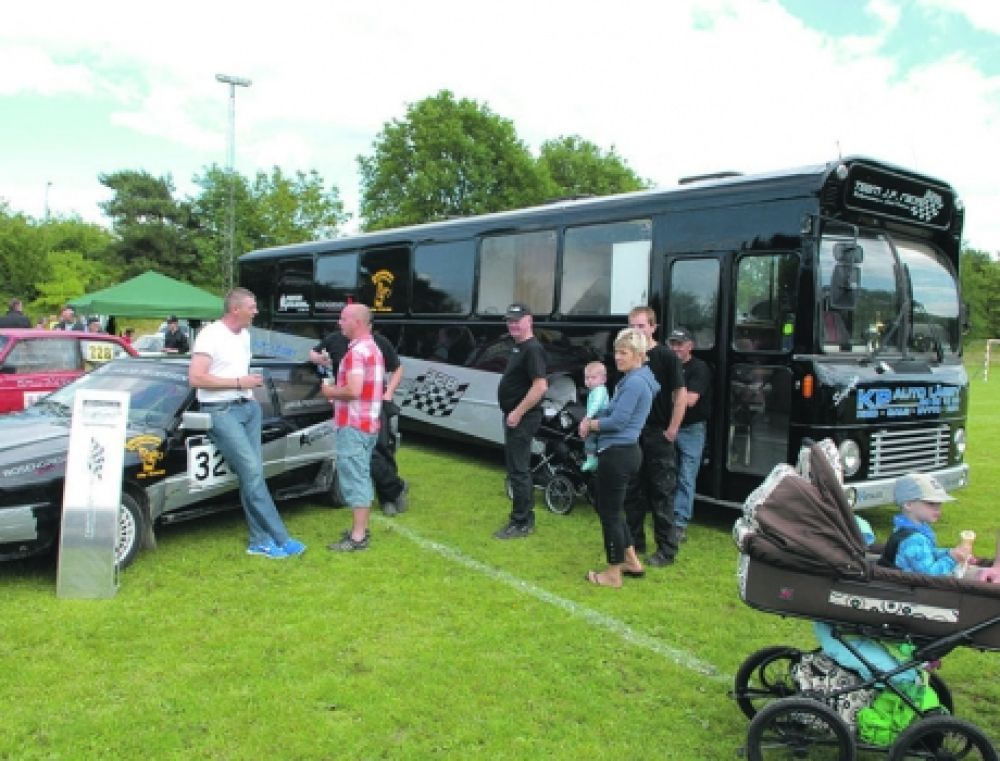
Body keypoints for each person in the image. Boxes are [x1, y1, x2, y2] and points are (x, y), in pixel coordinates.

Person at [188, 287, 306, 559]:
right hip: (221, 411)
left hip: (248, 408)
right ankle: (280, 538)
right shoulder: (210, 335)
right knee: (252, 473)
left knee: (252, 475)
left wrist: (247, 389)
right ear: (235, 309)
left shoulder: (244, 335)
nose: (256, 312)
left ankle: (259, 541)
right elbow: (196, 378)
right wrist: (240, 382)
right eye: (251, 307)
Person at [579, 329, 659, 587]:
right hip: (624, 451)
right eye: (616, 352)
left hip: (618, 453)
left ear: (638, 354)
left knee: (610, 514)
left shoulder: (635, 383)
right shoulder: (636, 379)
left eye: (623, 352)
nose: (618, 357)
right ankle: (632, 562)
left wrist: (590, 424)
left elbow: (618, 421)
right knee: (611, 509)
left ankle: (613, 574)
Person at [309, 326, 408, 516]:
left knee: (380, 451)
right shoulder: (334, 339)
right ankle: (395, 489)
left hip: (374, 404)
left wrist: (389, 392)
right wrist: (320, 359)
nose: (340, 323)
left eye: (344, 319)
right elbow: (313, 353)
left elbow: (397, 368)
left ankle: (389, 496)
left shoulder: (378, 343)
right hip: (348, 408)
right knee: (361, 456)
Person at [622, 306, 687, 567]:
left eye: (641, 326)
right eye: (632, 326)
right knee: (633, 490)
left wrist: (673, 428)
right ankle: (635, 543)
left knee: (662, 492)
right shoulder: (628, 357)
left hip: (658, 432)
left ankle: (666, 549)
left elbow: (680, 394)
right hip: (633, 433)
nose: (636, 331)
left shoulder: (666, 357)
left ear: (653, 327)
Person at [321, 304, 385, 552]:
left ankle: (358, 537)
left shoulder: (357, 352)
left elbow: (354, 390)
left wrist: (330, 392)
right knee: (361, 474)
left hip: (354, 425)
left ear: (356, 322)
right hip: (368, 423)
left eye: (343, 318)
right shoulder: (373, 348)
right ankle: (360, 529)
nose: (339, 323)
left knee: (355, 478)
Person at [878, 473, 1000, 581]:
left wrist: (950, 552)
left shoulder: (908, 530)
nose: (938, 508)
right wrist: (952, 559)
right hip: (911, 590)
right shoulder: (914, 539)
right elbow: (929, 576)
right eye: (931, 503)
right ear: (908, 504)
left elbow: (927, 554)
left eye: (939, 504)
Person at [494, 303, 548, 540]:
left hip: (523, 418)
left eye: (517, 320)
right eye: (510, 320)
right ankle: (522, 518)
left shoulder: (532, 349)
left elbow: (540, 386)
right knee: (516, 469)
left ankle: (522, 521)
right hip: (515, 416)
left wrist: (517, 412)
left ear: (529, 321)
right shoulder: (519, 347)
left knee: (519, 470)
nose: (513, 325)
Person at [667, 328, 713, 542]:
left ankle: (680, 523)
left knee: (686, 476)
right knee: (669, 474)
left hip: (691, 428)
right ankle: (667, 517)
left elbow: (690, 400)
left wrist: (667, 397)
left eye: (680, 344)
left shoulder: (699, 368)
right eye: (673, 344)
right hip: (669, 425)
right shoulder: (667, 366)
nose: (675, 348)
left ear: (690, 346)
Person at [580, 361, 609, 472]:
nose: (589, 381)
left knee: (590, 438)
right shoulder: (596, 390)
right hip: (598, 415)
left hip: (600, 415)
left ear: (603, 379)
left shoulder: (599, 390)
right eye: (587, 378)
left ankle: (591, 460)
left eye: (593, 378)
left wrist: (587, 417)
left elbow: (596, 404)